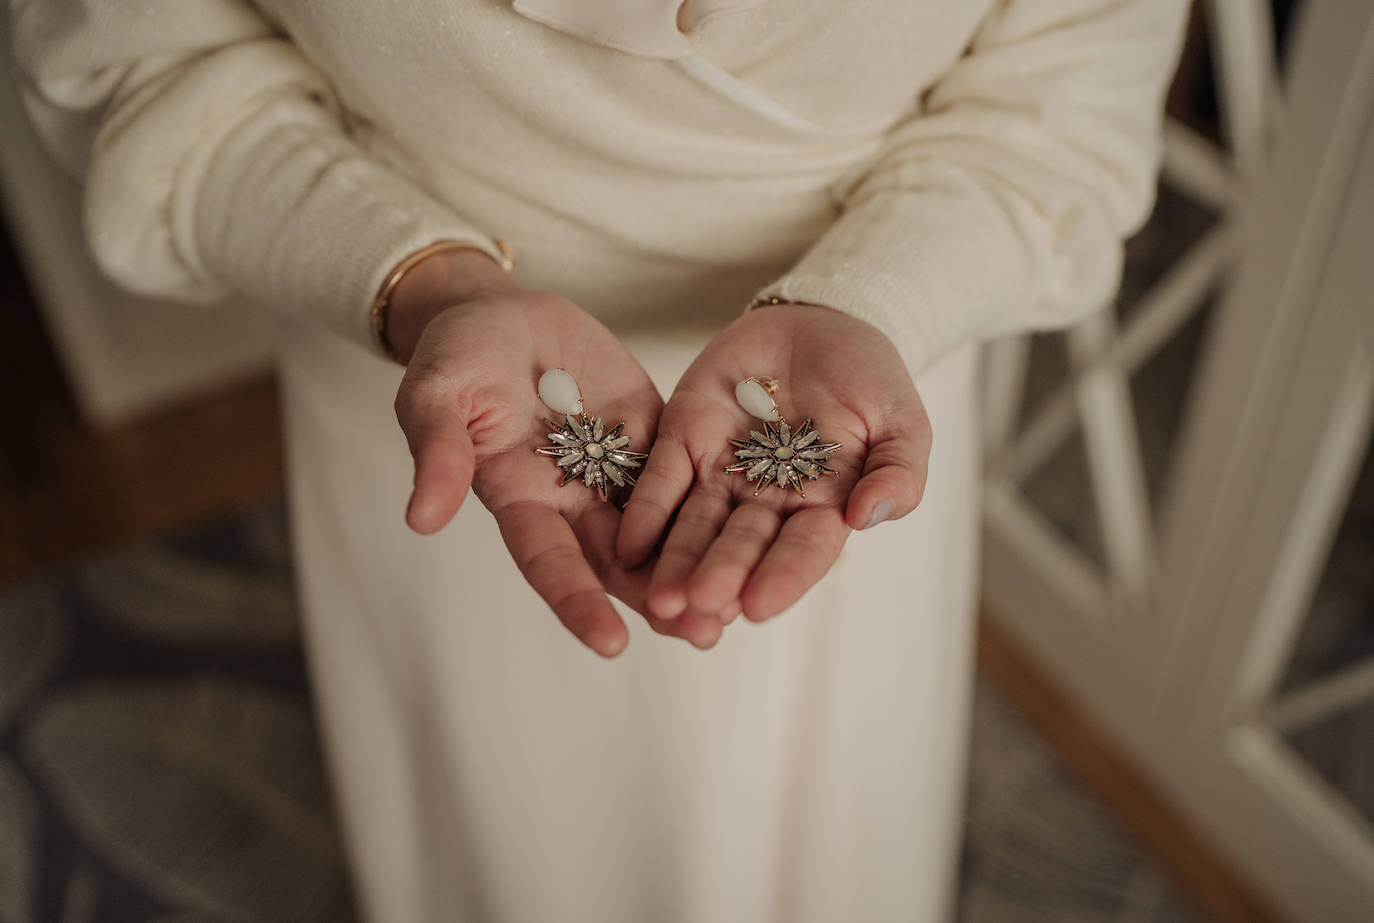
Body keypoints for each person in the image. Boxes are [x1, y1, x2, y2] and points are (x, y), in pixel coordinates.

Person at [10, 0, 1188, 919]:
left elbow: (1069, 100)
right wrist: (426, 286)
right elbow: (141, 56)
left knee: (815, 798)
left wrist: (876, 299)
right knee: (503, 802)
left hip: (858, 382)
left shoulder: (845, 397)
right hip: (440, 378)